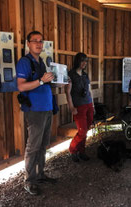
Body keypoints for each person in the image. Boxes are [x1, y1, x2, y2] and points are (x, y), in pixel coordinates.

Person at [16, 31, 56, 196]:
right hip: (35, 110)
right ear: (28, 44)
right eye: (35, 41)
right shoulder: (25, 62)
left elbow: (45, 84)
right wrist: (41, 81)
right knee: (33, 146)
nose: (39, 44)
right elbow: (21, 86)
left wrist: (58, 82)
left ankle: (40, 175)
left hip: (46, 108)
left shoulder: (41, 62)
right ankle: (29, 181)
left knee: (42, 145)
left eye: (41, 41)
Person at [65, 53, 94, 162]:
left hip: (88, 104)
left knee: (86, 130)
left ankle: (81, 151)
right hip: (79, 106)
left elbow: (89, 91)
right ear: (77, 61)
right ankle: (73, 149)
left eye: (86, 61)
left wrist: (93, 105)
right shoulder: (70, 75)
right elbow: (67, 92)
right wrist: (72, 107)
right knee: (82, 131)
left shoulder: (85, 75)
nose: (84, 63)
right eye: (82, 61)